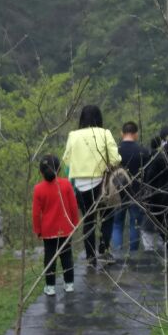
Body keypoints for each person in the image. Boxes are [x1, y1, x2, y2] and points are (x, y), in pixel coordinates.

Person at [62, 105, 121, 267]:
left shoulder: (73, 136)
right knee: (107, 216)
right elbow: (115, 159)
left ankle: (90, 256)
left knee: (88, 220)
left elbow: (66, 159)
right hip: (102, 184)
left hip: (80, 186)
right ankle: (104, 249)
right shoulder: (104, 133)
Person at [32, 154, 80, 295]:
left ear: (41, 172)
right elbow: (73, 206)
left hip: (48, 230)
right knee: (66, 256)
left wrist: (38, 230)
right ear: (59, 169)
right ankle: (69, 284)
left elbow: (35, 214)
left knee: (49, 257)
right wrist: (74, 224)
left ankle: (50, 286)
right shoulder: (66, 184)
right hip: (65, 228)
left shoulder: (38, 189)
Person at [110, 121, 149, 255]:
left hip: (117, 193)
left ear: (122, 133)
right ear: (136, 134)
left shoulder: (115, 151)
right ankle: (132, 255)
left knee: (117, 224)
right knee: (135, 224)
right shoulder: (143, 151)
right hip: (137, 193)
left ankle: (117, 255)